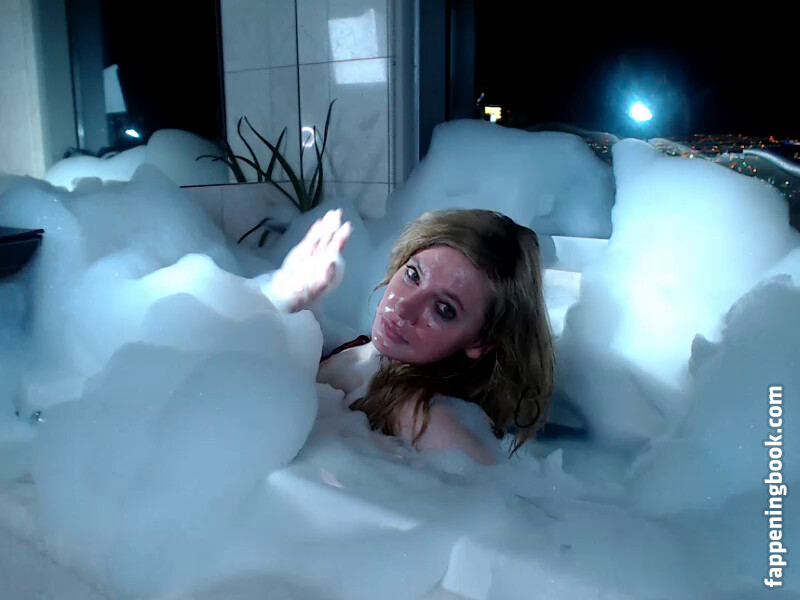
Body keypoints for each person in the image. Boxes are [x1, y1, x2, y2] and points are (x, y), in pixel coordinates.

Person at [265, 208, 555, 464]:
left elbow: (499, 496)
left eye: (444, 309)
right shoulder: (368, 352)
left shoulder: (423, 416)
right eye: (414, 275)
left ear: (479, 342)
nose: (402, 307)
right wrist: (292, 303)